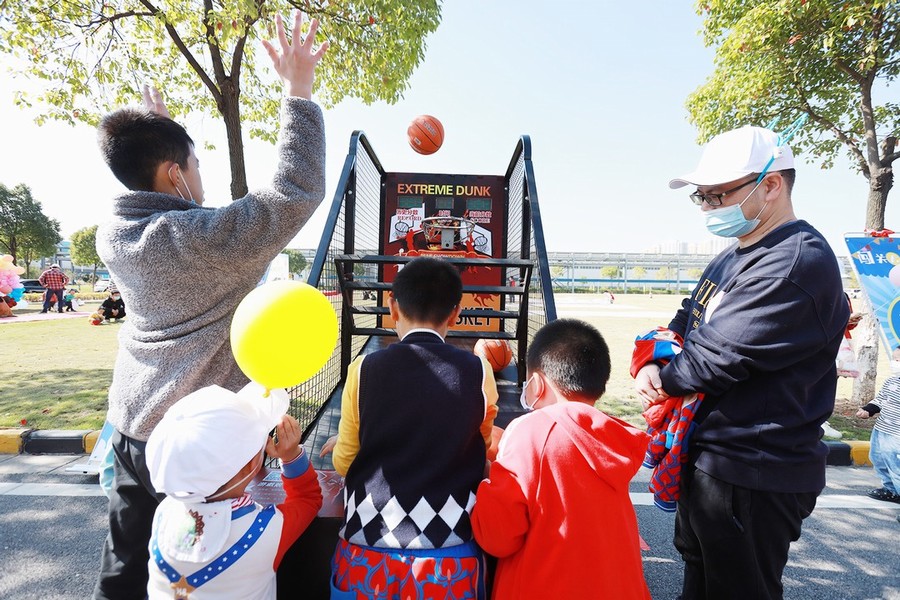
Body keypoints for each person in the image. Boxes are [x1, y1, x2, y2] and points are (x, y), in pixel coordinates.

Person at [91, 13, 329, 599]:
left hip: (131, 423)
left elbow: (169, 209)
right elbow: (295, 191)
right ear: (173, 173)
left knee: (128, 564)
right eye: (194, 165)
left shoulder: (114, 233)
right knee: (220, 567)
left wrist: (161, 127)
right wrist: (298, 92)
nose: (201, 176)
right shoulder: (200, 243)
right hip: (200, 441)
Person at [633, 125, 849, 599]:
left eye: (718, 195)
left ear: (771, 185)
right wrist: (651, 362)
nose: (710, 208)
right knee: (700, 579)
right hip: (710, 458)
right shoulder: (733, 256)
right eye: (702, 198)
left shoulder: (794, 262)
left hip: (754, 467)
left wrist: (662, 379)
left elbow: (713, 359)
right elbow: (683, 323)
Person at [329, 257, 499, 599]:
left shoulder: (363, 368)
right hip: (450, 556)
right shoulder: (480, 371)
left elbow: (345, 463)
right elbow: (480, 446)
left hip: (366, 551)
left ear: (393, 307)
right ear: (454, 313)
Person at [471, 319, 652, 599]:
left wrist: (485, 477)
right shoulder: (614, 437)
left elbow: (498, 538)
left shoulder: (530, 431)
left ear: (536, 384)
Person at [144, 383, 322, 599]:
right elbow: (308, 498)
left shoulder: (164, 513)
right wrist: (291, 456)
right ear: (250, 466)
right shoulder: (267, 529)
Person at [856, 346, 900, 505]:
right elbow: (881, 400)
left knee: (896, 467)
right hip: (881, 429)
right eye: (894, 359)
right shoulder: (892, 381)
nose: (894, 363)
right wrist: (868, 410)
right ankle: (891, 490)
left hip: (897, 434)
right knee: (878, 458)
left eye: (898, 360)